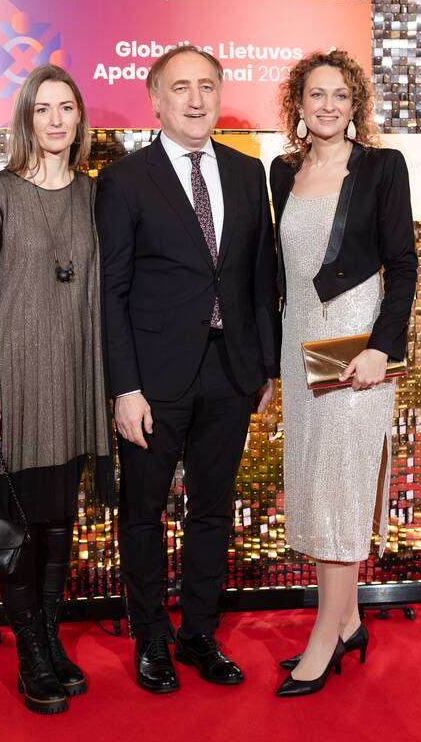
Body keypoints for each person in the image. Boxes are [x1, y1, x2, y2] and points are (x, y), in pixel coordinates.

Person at [95, 45, 280, 693]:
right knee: (142, 512)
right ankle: (150, 637)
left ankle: (198, 632)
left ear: (219, 93)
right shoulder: (124, 179)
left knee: (212, 509)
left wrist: (265, 366)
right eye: (181, 87)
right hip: (151, 381)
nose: (196, 99)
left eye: (206, 85)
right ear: (155, 100)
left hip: (231, 372)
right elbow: (110, 292)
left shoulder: (246, 172)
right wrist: (123, 386)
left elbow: (261, 276)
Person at [0, 64, 113, 714]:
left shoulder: (95, 196)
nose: (55, 119)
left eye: (66, 107)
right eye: (43, 108)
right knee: (19, 522)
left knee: (58, 520)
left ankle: (49, 636)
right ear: (26, 118)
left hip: (74, 382)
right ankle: (28, 653)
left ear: (80, 119)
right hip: (15, 383)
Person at [270, 49, 417, 697]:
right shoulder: (282, 171)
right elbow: (277, 271)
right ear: (298, 106)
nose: (327, 105)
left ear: (354, 104)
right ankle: (351, 621)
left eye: (339, 95)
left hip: (355, 346)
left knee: (338, 487)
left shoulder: (382, 168)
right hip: (297, 342)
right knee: (314, 480)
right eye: (316, 95)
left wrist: (381, 348)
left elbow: (403, 265)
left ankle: (324, 637)